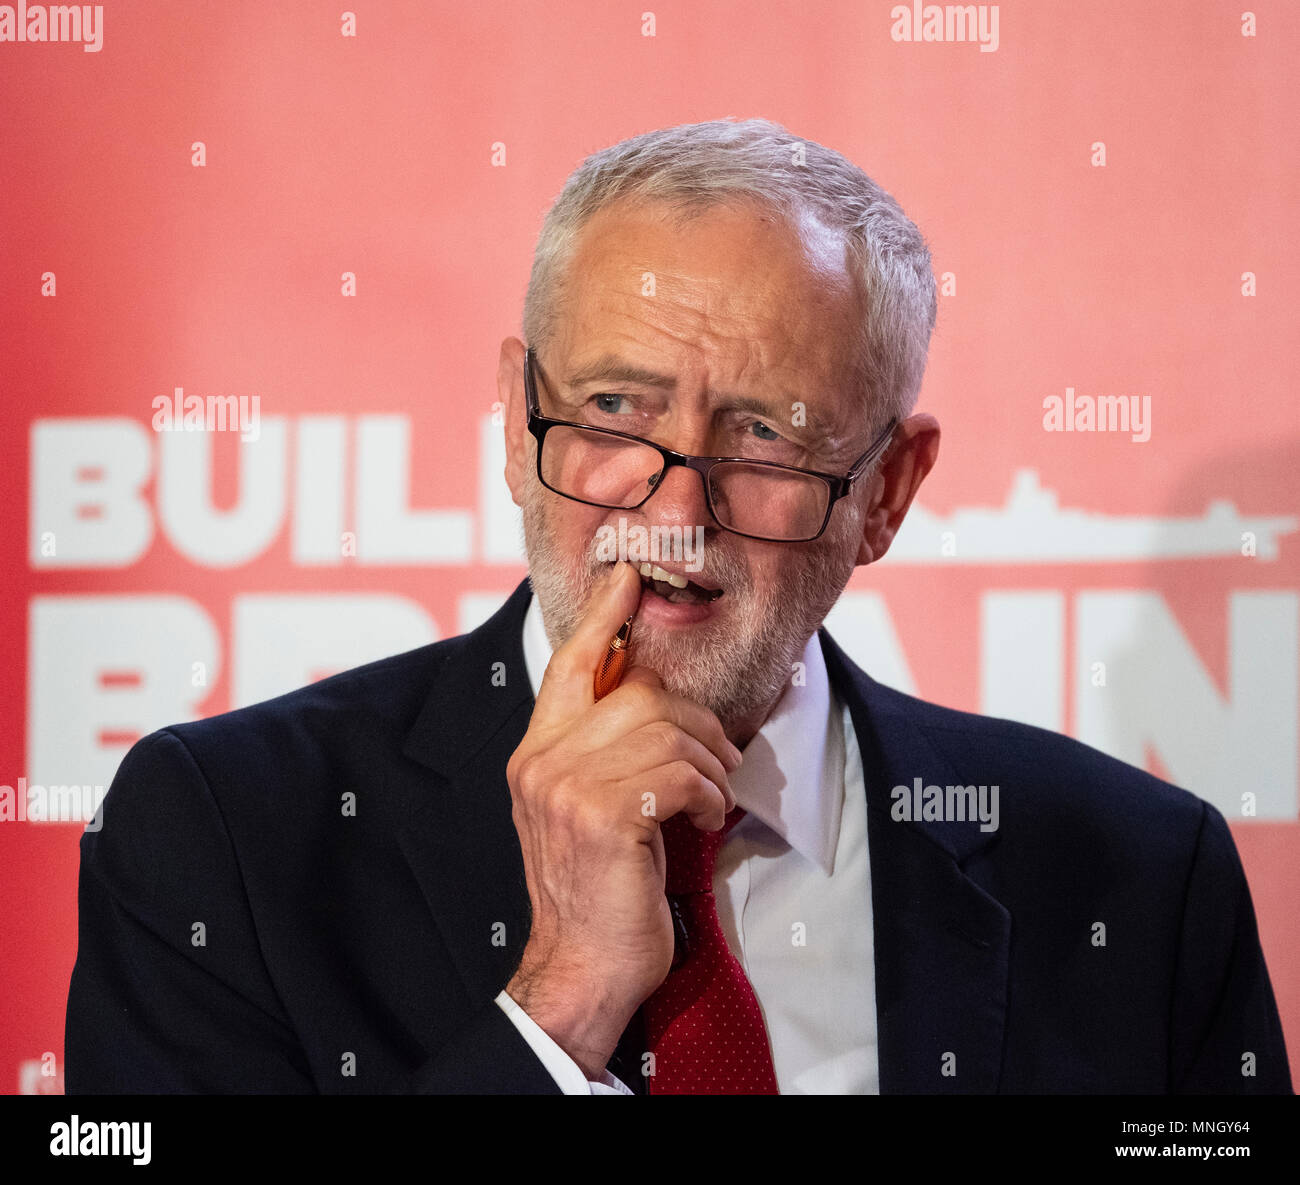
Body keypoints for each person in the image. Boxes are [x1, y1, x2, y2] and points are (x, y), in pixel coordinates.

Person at [65, 118, 1291, 1094]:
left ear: (889, 493)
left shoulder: (1135, 879)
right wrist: (561, 1003)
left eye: (766, 432)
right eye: (614, 411)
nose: (676, 505)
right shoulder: (222, 840)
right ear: (513, 417)